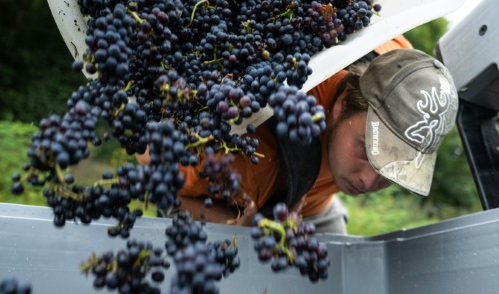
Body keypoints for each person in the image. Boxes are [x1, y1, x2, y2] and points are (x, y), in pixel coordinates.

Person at [142, 36, 459, 234]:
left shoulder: (400, 61)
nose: (368, 182)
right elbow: (161, 177)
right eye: (366, 150)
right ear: (343, 104)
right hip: (244, 204)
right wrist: (240, 229)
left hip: (317, 207)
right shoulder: (251, 156)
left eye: (393, 168)